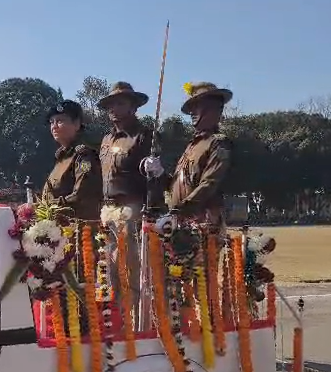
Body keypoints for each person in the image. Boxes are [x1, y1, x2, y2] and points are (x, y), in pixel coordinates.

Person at [97, 82, 162, 303]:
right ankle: (117, 317)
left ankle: (134, 322)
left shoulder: (144, 136)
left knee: (131, 267)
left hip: (131, 208)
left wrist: (154, 168)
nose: (113, 109)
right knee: (109, 266)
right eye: (110, 105)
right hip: (107, 209)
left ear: (133, 107)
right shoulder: (106, 140)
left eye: (120, 103)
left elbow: (158, 176)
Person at [168, 82, 234, 230]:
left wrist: (182, 208)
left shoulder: (218, 143)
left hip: (204, 219)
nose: (191, 113)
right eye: (191, 108)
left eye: (196, 107)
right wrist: (158, 174)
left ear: (214, 109)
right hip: (182, 220)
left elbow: (210, 182)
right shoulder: (192, 146)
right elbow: (178, 184)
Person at [41, 99, 103, 221]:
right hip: (58, 225)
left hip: (79, 228)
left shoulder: (84, 156)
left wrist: (46, 206)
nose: (54, 126)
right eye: (51, 122)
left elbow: (82, 195)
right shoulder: (62, 156)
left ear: (76, 124)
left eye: (60, 121)